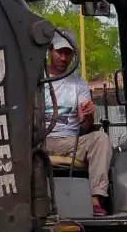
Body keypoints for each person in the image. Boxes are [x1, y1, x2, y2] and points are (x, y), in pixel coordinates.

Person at [43, 29, 112, 216]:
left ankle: (95, 198)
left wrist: (89, 114)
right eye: (60, 52)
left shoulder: (78, 85)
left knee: (101, 138)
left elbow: (85, 126)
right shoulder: (36, 79)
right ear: (50, 50)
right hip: (40, 141)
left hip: (70, 142)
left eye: (68, 53)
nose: (63, 58)